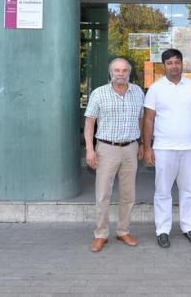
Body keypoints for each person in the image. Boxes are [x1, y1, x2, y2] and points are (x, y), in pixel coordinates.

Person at [143, 49, 191, 248]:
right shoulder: (155, 89)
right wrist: (147, 148)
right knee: (163, 191)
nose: (174, 66)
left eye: (177, 62)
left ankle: (188, 227)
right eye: (169, 62)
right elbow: (148, 119)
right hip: (163, 148)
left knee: (188, 191)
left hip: (190, 148)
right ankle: (162, 230)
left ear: (182, 64)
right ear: (164, 65)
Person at [84, 58, 145, 253]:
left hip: (130, 148)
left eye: (124, 70)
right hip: (106, 149)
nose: (120, 73)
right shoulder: (99, 93)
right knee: (103, 194)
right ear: (111, 72)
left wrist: (142, 143)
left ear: (129, 72)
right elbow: (89, 124)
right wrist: (90, 150)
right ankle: (101, 234)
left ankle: (123, 231)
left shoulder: (137, 92)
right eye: (117, 70)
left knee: (128, 194)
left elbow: (141, 119)